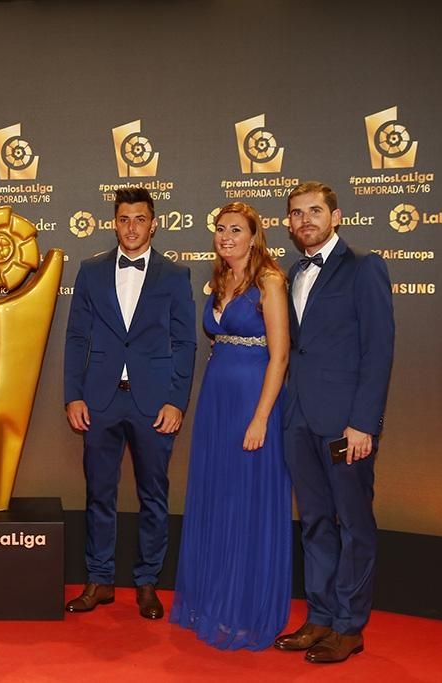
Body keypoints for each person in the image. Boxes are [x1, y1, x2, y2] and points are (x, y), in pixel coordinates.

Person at [274, 182, 394, 663]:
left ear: (336, 216)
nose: (305, 220)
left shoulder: (364, 268)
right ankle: (320, 618)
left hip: (346, 424)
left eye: (315, 211)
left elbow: (379, 350)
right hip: (299, 418)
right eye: (297, 213)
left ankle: (349, 625)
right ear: (288, 223)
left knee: (354, 525)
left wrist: (363, 422)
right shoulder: (289, 274)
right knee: (316, 524)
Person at [63, 186, 196, 620]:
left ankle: (146, 583)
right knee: (98, 494)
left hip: (153, 403)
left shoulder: (175, 275)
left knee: (153, 497)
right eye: (124, 219)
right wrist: (73, 395)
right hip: (100, 402)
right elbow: (76, 337)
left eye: (140, 219)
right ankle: (99, 580)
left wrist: (177, 401)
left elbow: (186, 341)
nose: (131, 227)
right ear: (114, 222)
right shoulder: (90, 270)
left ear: (153, 223)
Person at [170, 202, 291, 650]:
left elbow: (279, 355)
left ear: (254, 235)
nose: (225, 236)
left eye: (236, 229)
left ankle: (245, 610)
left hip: (251, 403)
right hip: (217, 399)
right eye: (220, 228)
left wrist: (260, 417)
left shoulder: (270, 282)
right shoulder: (220, 279)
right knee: (216, 499)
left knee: (246, 504)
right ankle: (211, 602)